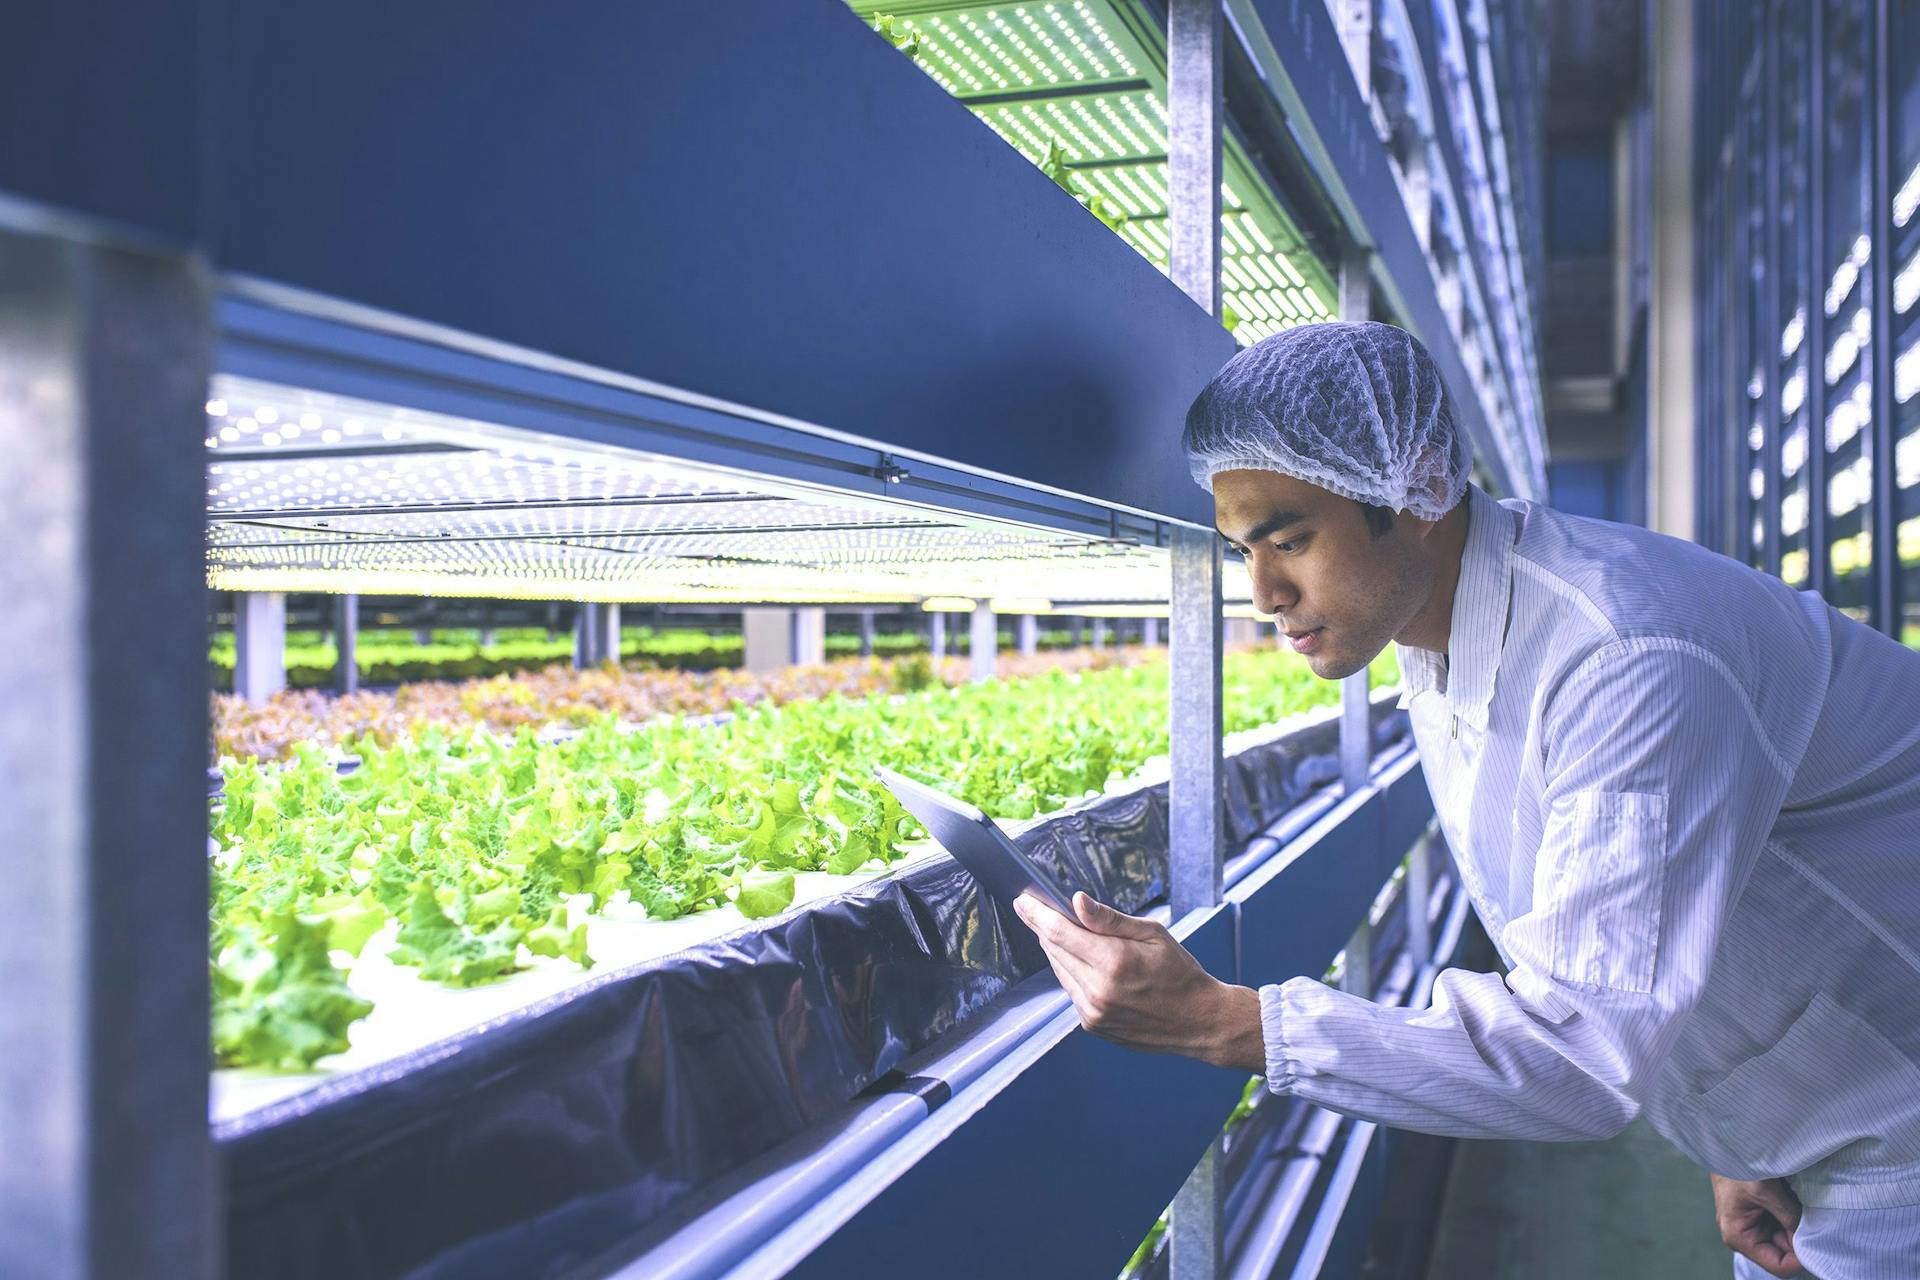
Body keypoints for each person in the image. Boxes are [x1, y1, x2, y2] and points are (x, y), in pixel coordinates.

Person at [1011, 321, 1920, 1278]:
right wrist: (1739, 1139)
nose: (1264, 592)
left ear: (1421, 493)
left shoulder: (1626, 659)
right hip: (1820, 1126)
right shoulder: (1435, 630)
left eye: (1291, 539)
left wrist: (1220, 1020)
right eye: (1242, 549)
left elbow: (1577, 1051)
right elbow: (1649, 922)